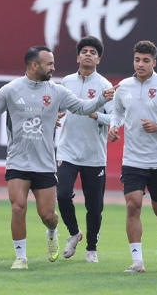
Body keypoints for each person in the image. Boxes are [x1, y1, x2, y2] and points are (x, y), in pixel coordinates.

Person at [0, 46, 117, 269]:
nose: (54, 68)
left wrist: (101, 98)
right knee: (18, 207)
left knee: (48, 216)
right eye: (50, 64)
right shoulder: (11, 90)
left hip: (44, 164)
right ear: (35, 65)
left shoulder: (57, 91)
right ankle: (21, 258)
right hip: (17, 161)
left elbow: (83, 107)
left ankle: (52, 231)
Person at [109, 40, 157, 273]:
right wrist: (114, 126)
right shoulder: (123, 87)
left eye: (146, 60)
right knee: (133, 205)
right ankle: (137, 261)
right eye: (137, 60)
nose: (140, 64)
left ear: (154, 63)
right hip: (133, 160)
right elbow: (117, 112)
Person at [56, 36, 114, 263]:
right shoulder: (66, 82)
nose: (88, 54)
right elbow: (57, 107)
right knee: (62, 195)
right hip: (68, 151)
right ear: (78, 57)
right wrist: (56, 115)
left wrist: (97, 115)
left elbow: (114, 117)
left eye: (93, 52)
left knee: (94, 206)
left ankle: (91, 249)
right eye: (84, 51)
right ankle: (74, 233)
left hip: (94, 155)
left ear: (98, 59)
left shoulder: (105, 86)